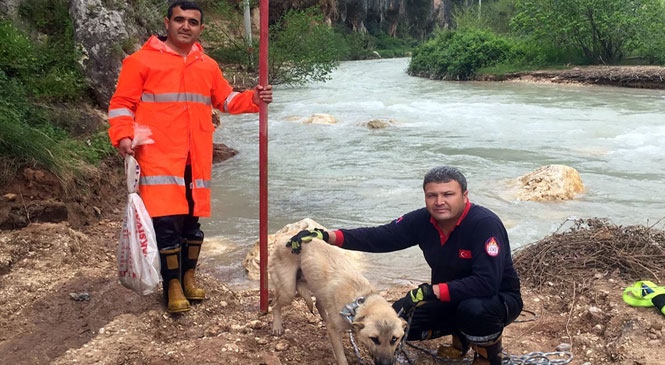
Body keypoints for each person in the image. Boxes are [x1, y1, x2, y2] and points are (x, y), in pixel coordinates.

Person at [108, 1, 273, 313]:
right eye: (179, 20)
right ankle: (171, 285)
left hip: (195, 157)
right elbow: (121, 104)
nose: (186, 26)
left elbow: (226, 99)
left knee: (191, 222)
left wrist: (253, 98)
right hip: (157, 156)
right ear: (167, 22)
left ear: (201, 28)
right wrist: (123, 135)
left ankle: (189, 277)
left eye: (192, 22)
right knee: (166, 223)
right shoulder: (140, 62)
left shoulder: (207, 65)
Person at [287, 166, 523, 365]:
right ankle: (461, 336)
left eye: (448, 194)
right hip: (448, 298)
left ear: (465, 195)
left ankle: (487, 354)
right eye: (432, 195)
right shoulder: (423, 220)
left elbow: (487, 283)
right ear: (425, 196)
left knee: (474, 310)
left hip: (497, 300)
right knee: (394, 324)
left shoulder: (484, 224)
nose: (439, 202)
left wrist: (430, 292)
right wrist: (325, 236)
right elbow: (381, 236)